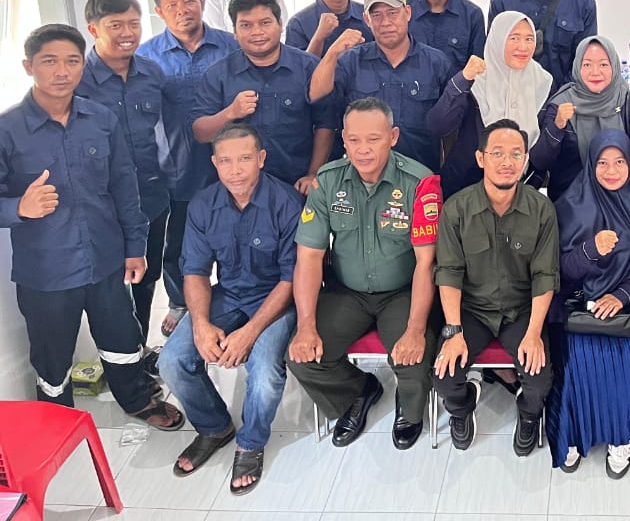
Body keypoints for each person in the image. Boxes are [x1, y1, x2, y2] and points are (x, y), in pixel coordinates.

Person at [0, 24, 183, 428]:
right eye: (49, 61)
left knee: (122, 338)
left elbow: (124, 187)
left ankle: (137, 400)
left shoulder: (100, 119)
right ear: (29, 66)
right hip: (46, 273)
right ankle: (57, 421)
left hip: (105, 260)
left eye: (72, 61)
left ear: (82, 66)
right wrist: (19, 208)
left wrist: (135, 248)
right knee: (51, 355)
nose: (61, 71)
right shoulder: (7, 129)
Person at [288, 98, 441, 449]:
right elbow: (309, 257)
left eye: (373, 139)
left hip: (402, 291)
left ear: (393, 137)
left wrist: (416, 330)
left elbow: (426, 263)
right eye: (354, 140)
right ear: (343, 140)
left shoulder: (419, 182)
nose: (363, 149)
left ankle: (410, 410)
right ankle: (359, 391)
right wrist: (306, 325)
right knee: (302, 357)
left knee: (413, 358)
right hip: (348, 292)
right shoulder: (327, 182)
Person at [160, 123, 301, 495]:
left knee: (265, 370)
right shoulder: (203, 205)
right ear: (215, 163)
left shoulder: (286, 203)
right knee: (172, 360)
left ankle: (251, 442)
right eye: (225, 161)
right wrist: (201, 324)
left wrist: (249, 333)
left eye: (244, 159)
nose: (235, 170)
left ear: (261, 158)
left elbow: (291, 280)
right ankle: (214, 427)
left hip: (278, 299)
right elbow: (194, 271)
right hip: (229, 294)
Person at [433, 119, 560, 456]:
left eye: (516, 154)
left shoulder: (541, 210)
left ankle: (528, 415)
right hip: (471, 311)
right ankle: (463, 407)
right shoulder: (457, 209)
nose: (507, 162)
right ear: (480, 158)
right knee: (444, 377)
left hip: (521, 311)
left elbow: (545, 275)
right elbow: (449, 272)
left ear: (525, 159)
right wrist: (453, 331)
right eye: (498, 153)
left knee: (539, 379)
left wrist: (534, 333)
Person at [547, 130, 630, 478]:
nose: (611, 171)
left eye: (620, 162)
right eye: (603, 163)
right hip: (581, 300)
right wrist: (589, 251)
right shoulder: (571, 203)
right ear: (591, 165)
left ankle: (620, 436)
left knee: (628, 360)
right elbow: (558, 268)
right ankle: (575, 433)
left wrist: (622, 295)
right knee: (576, 359)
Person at [76, 0, 180, 342]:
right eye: (116, 25)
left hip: (151, 198)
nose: (127, 33)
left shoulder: (151, 73)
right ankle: (119, 359)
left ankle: (139, 350)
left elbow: (170, 127)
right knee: (108, 288)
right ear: (94, 29)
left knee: (145, 279)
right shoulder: (78, 82)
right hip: (101, 205)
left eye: (134, 24)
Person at [138, 0, 239, 337]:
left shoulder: (231, 46)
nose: (182, 10)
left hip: (231, 163)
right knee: (177, 242)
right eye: (172, 5)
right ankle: (180, 302)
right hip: (176, 164)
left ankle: (234, 296)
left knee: (235, 235)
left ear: (202, 3)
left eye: (189, 2)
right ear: (159, 11)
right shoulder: (146, 57)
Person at [192, 0, 336, 193]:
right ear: (235, 32)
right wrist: (231, 112)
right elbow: (200, 133)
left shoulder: (309, 67)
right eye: (246, 25)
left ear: (280, 24)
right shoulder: (218, 74)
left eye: (265, 23)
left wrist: (313, 173)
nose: (257, 32)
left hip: (297, 186)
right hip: (239, 191)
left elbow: (326, 124)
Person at [311, 0, 453, 170]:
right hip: (362, 177)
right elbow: (316, 95)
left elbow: (451, 126)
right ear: (366, 20)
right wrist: (333, 52)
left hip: (421, 175)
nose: (385, 22)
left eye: (392, 13)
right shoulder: (351, 61)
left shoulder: (437, 63)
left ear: (407, 13)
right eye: (376, 15)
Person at [424, 11, 553, 199]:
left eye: (529, 39)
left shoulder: (543, 83)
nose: (523, 47)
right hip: (465, 191)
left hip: (517, 193)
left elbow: (542, 152)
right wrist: (463, 79)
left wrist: (531, 187)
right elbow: (438, 126)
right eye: (514, 38)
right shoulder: (476, 79)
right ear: (497, 40)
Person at [528, 36, 630, 200]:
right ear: (577, 67)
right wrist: (557, 126)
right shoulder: (561, 104)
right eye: (587, 65)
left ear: (614, 66)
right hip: (570, 203)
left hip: (622, 200)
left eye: (603, 64)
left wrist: (612, 187)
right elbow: (540, 162)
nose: (595, 72)